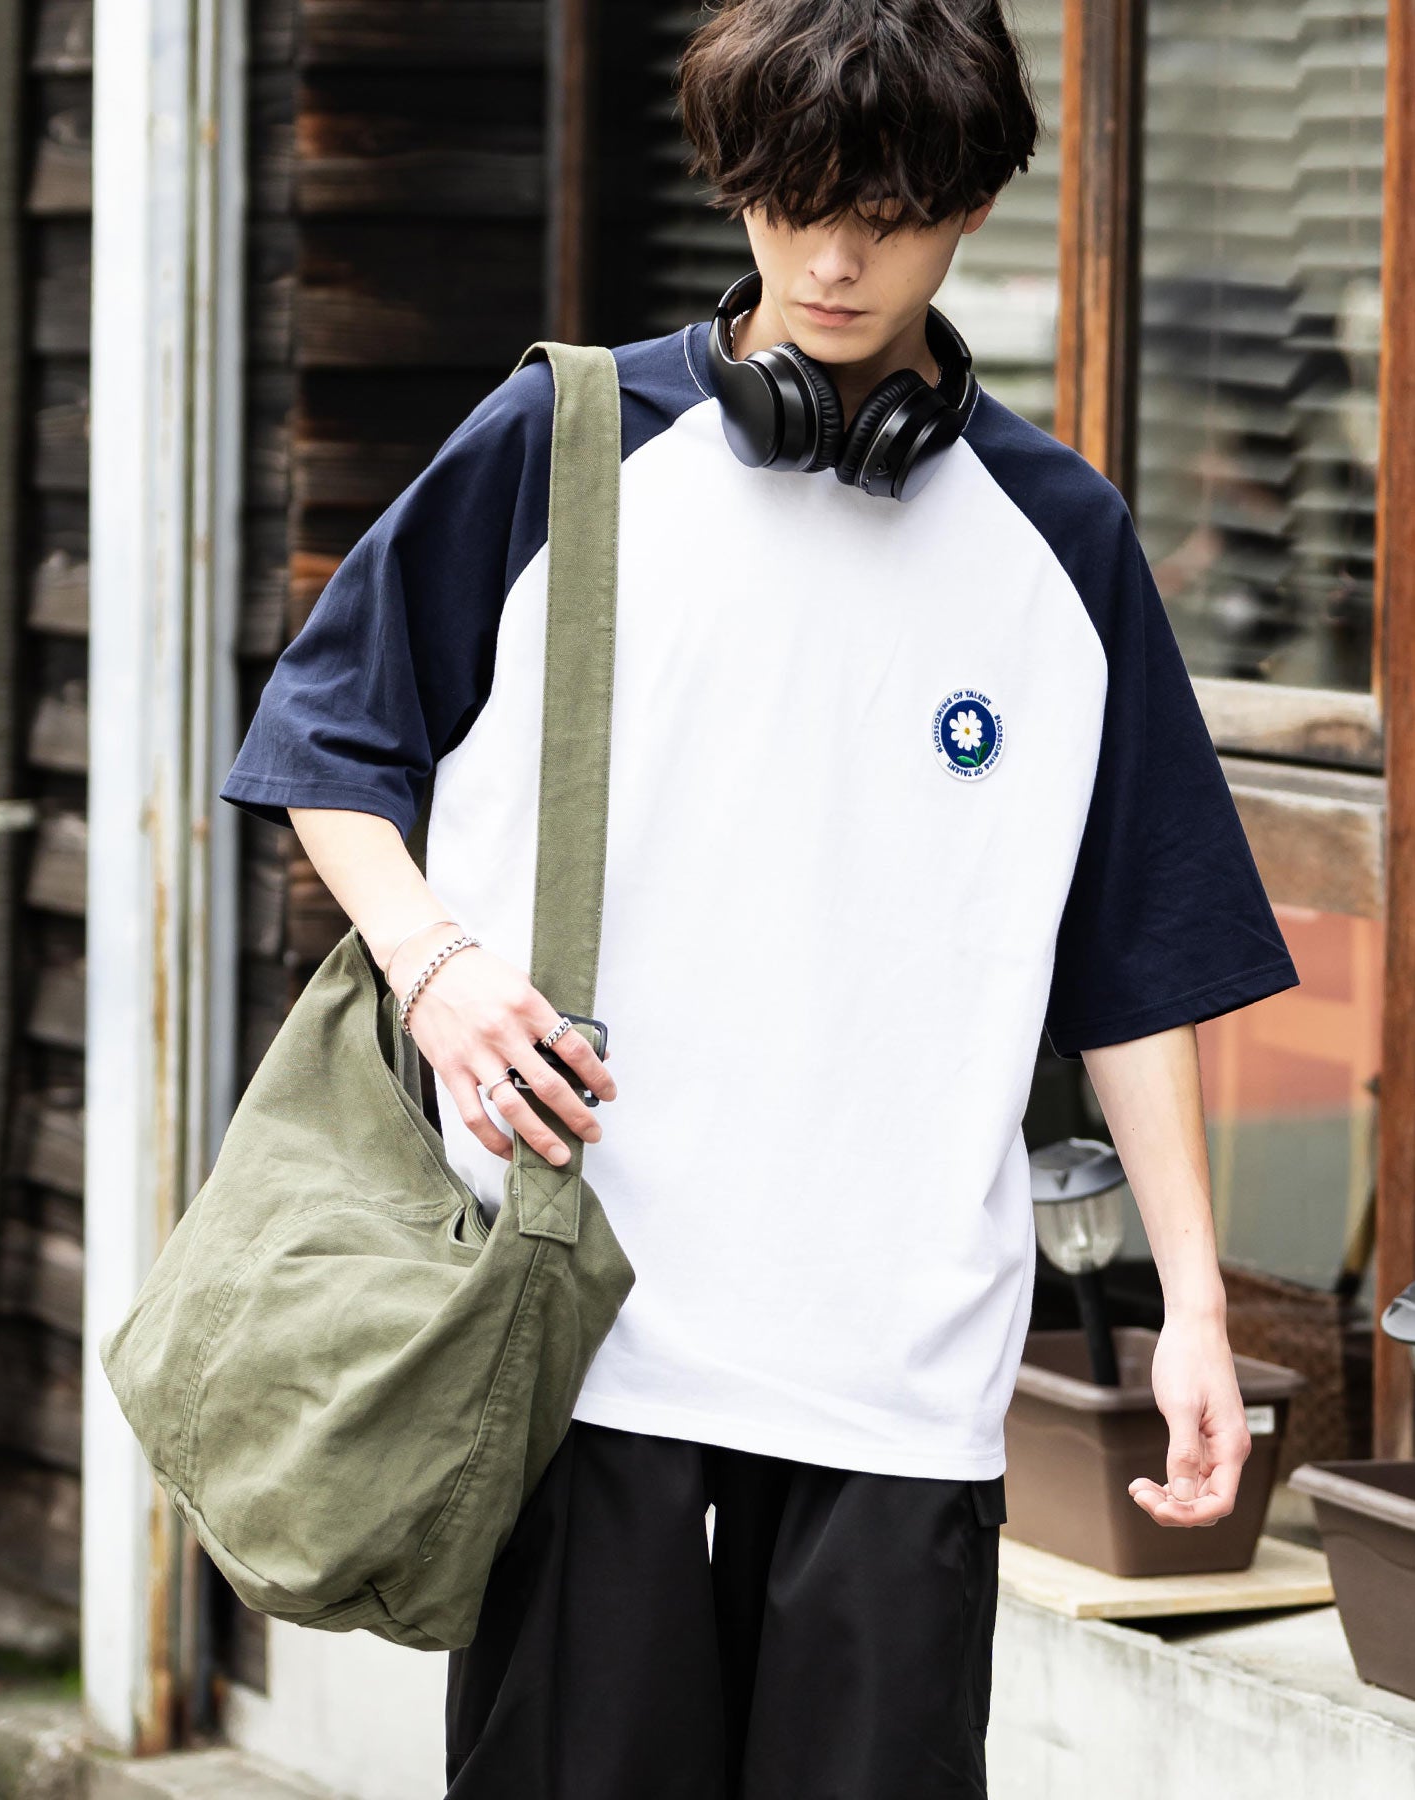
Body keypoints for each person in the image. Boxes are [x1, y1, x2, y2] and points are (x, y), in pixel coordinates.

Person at [218, 2, 1301, 1793]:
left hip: (901, 1362)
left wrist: (1193, 1302)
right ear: (735, 187)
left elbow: (1135, 961)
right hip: (585, 1334)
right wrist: (434, 964)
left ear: (972, 209)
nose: (831, 260)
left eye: (885, 214)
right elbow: (329, 742)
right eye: (791, 204)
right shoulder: (565, 442)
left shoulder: (1063, 541)